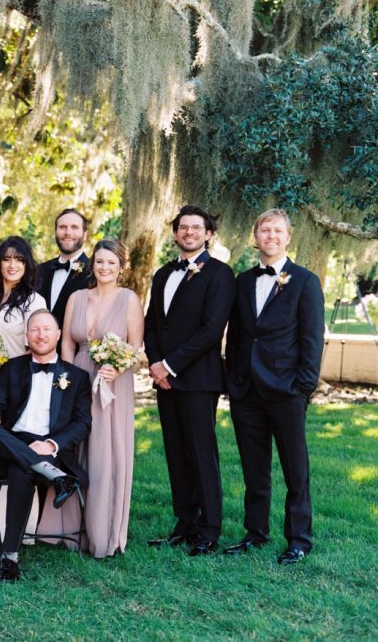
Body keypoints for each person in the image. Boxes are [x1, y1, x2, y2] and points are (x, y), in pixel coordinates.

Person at [223, 208, 324, 565]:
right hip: (245, 391)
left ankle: (298, 539)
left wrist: (303, 387)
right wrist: (233, 379)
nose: (271, 236)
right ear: (255, 237)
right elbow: (236, 336)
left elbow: (312, 340)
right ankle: (256, 532)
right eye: (265, 230)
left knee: (296, 470)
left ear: (288, 237)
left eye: (278, 231)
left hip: (287, 391)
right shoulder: (242, 281)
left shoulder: (305, 282)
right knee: (254, 468)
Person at [0, 310, 91, 582]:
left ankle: (9, 559)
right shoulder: (12, 367)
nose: (41, 335)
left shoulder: (77, 377)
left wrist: (51, 444)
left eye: (46, 329)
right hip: (11, 444)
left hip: (51, 451)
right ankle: (56, 477)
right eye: (35, 330)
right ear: (27, 336)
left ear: (58, 334)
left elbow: (83, 423)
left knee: (20, 469)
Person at [144, 206, 235, 556]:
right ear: (175, 232)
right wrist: (155, 364)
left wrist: (170, 364)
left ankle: (209, 529)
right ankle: (185, 521)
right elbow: (153, 323)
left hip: (198, 379)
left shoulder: (220, 274)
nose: (189, 233)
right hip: (163, 379)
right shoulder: (163, 273)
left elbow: (212, 330)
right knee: (175, 453)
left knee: (201, 453)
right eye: (183, 227)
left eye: (196, 228)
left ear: (209, 234)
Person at [61, 238, 144, 558]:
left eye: (110, 262)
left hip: (112, 383)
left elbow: (137, 350)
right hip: (78, 375)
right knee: (75, 446)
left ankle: (103, 532)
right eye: (99, 262)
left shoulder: (129, 299)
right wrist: (66, 377)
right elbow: (68, 341)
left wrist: (119, 367)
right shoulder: (77, 297)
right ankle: (70, 530)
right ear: (92, 265)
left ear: (121, 267)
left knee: (106, 453)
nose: (104, 267)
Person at [0, 236, 48, 548]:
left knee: (11, 451)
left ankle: (17, 530)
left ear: (27, 265)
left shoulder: (34, 302)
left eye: (19, 259)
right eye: (7, 259)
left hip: (18, 387)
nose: (12, 265)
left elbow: (38, 345)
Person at [38, 209, 93, 327]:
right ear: (55, 232)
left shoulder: (94, 273)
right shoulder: (39, 271)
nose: (68, 232)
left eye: (74, 227)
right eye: (62, 227)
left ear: (85, 234)